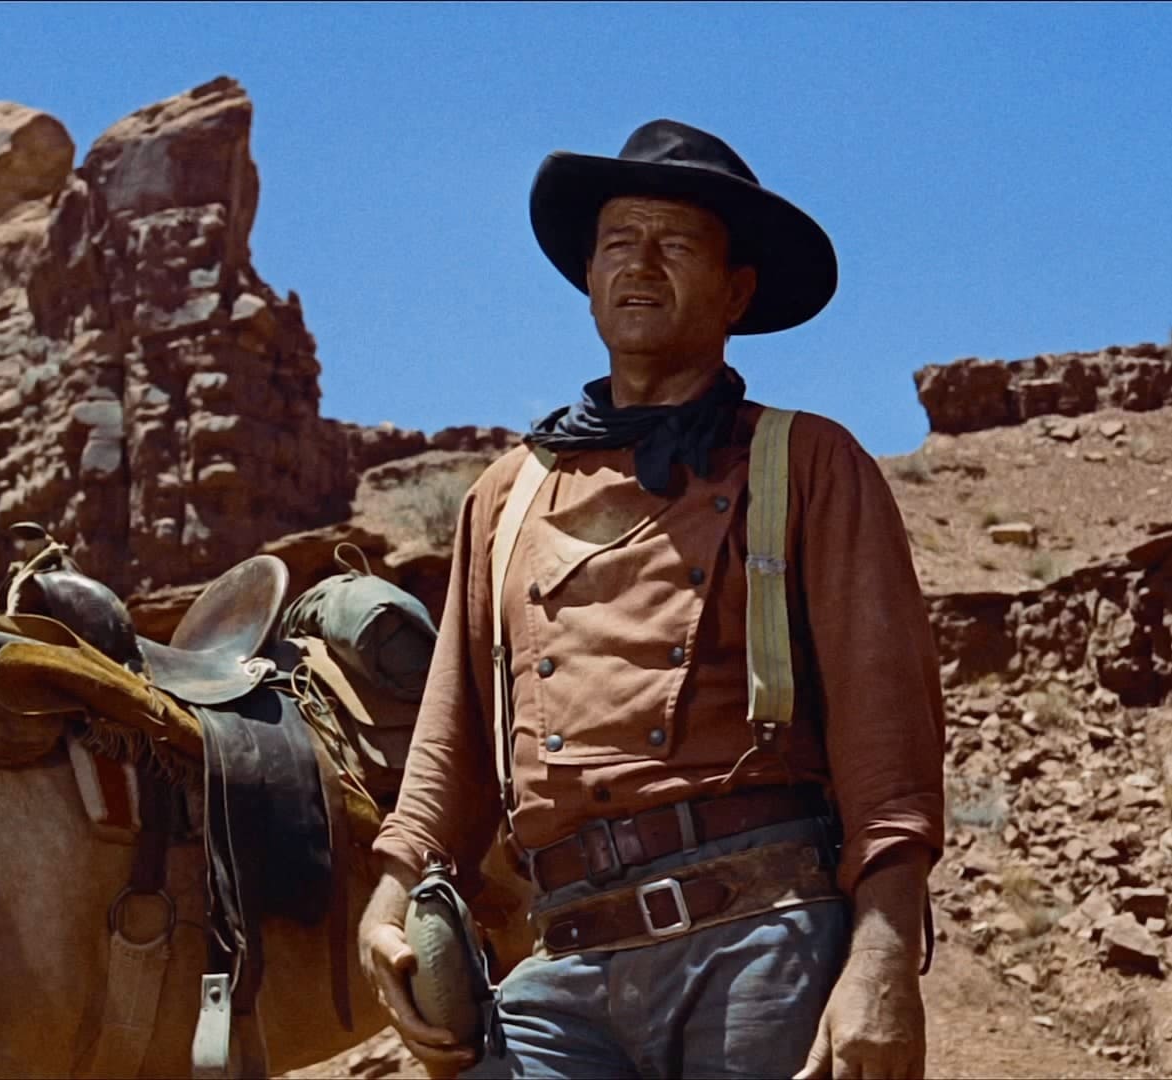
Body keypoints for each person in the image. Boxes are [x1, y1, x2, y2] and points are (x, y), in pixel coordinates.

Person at [360, 119, 944, 1079]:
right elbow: (451, 741)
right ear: (589, 276)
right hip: (562, 959)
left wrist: (881, 958)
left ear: (737, 291)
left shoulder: (807, 463)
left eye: (675, 244)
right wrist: (392, 893)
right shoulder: (505, 496)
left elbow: (889, 747)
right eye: (619, 243)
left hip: (762, 942)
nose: (639, 264)